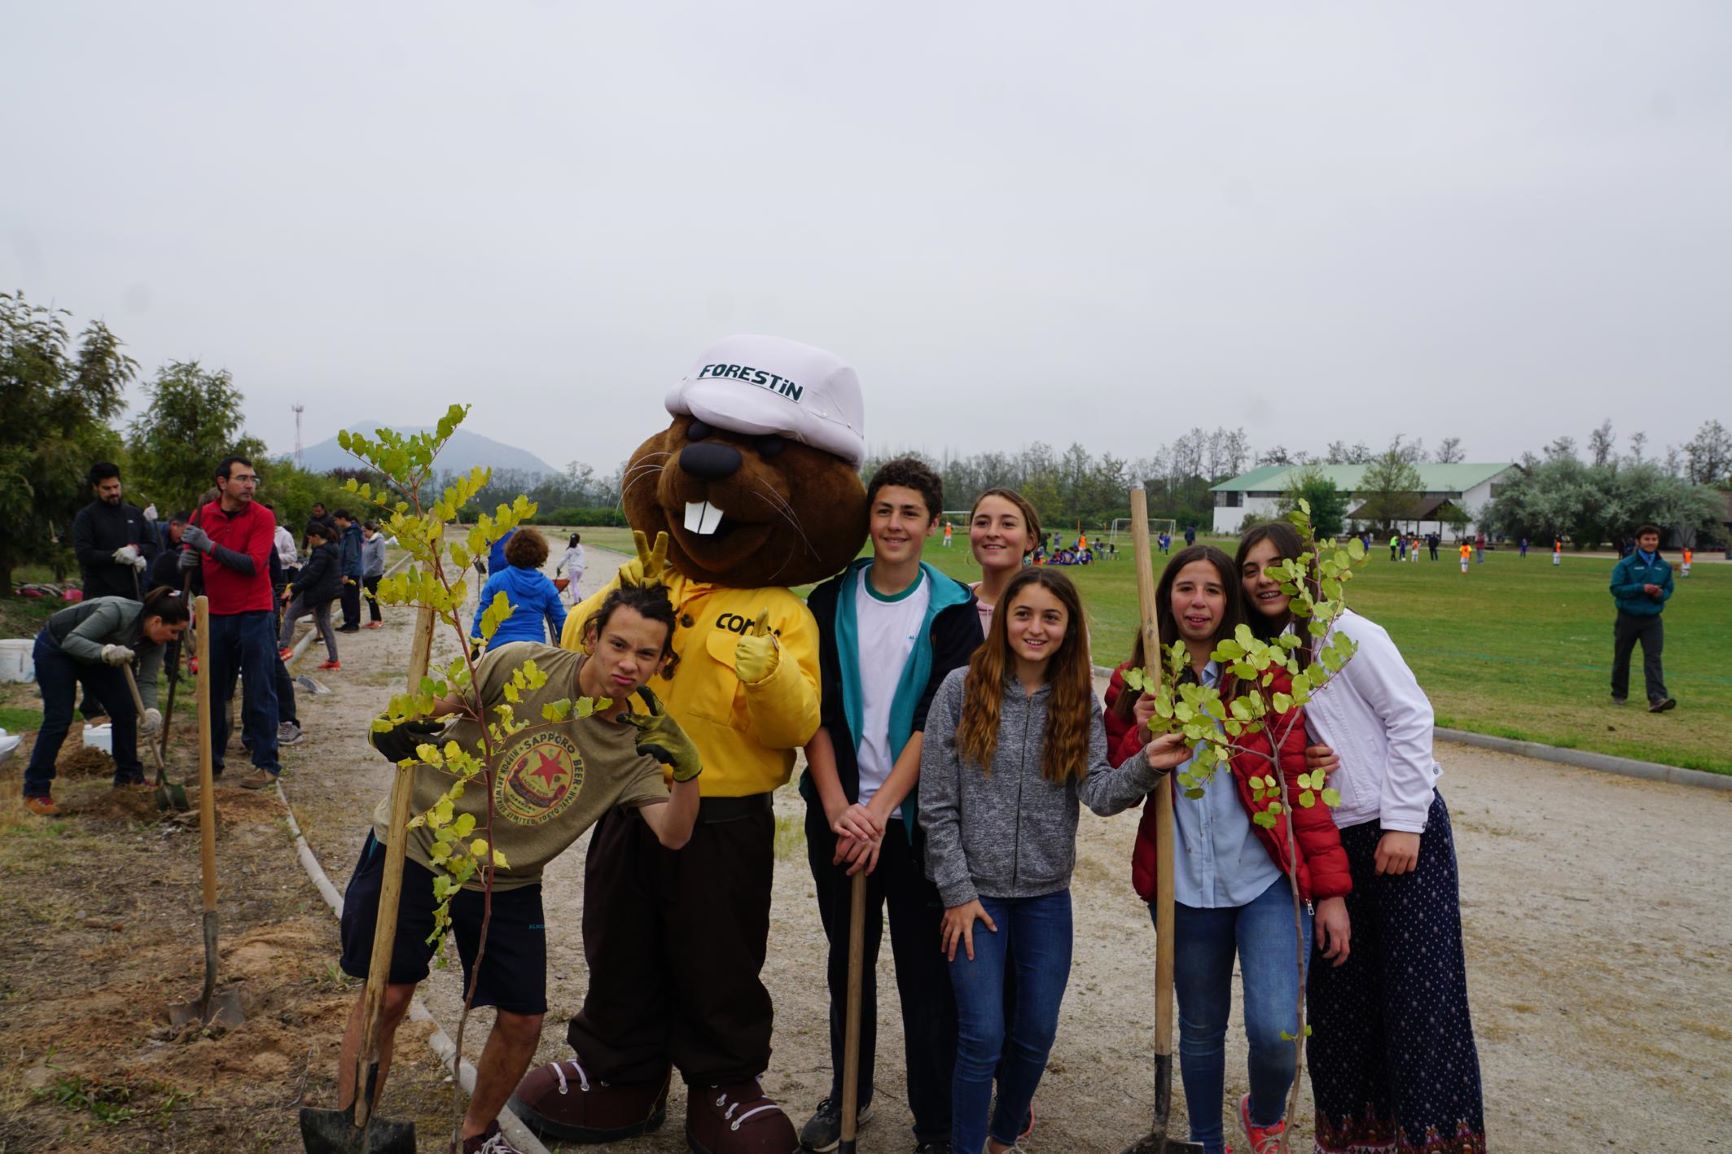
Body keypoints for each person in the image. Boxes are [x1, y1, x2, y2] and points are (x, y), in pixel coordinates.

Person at [332, 585, 702, 1154]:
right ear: (592, 638)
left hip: (505, 879)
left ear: (662, 661)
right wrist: (392, 725)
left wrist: (690, 770)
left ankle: (477, 1134)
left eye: (647, 654)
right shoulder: (522, 664)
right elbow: (427, 709)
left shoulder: (640, 741)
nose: (629, 664)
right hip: (419, 843)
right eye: (618, 645)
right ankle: (351, 1128)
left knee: (525, 1020)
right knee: (388, 995)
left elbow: (675, 835)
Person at [1237, 522, 1487, 1154]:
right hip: (1331, 844)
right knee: (1342, 1004)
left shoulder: (1346, 632)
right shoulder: (1263, 658)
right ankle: (1355, 1136)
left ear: (1304, 571)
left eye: (1276, 566)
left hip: (1399, 834)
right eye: (1250, 569)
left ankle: (1432, 1138)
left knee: (1418, 999)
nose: (1263, 578)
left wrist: (1405, 821)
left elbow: (1410, 715)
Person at [1101, 546, 1351, 1154]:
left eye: (1212, 590)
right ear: (1165, 600)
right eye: (1185, 589)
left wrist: (1333, 892)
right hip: (1185, 884)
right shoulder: (1138, 680)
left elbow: (1299, 790)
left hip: (1265, 880)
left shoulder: (1264, 678)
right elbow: (1112, 779)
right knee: (1201, 1028)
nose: (1198, 602)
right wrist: (1140, 728)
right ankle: (1207, 1143)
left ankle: (1263, 1114)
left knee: (1276, 1030)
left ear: (1228, 602)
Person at [919, 567, 1171, 1154]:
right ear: (1003, 619)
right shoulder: (960, 688)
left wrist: (1149, 761)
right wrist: (957, 893)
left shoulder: (1076, 698)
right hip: (973, 897)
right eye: (1023, 614)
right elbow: (935, 804)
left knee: (1034, 1034)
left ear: (1069, 627)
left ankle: (1004, 1137)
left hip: (1044, 897)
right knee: (982, 1036)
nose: (1035, 627)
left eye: (1050, 617)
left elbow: (1102, 793)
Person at [797, 457, 981, 1153]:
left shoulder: (955, 611)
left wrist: (880, 813)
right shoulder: (826, 601)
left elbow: (938, 724)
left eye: (910, 513)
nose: (895, 524)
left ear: (934, 527)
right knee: (848, 962)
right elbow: (810, 710)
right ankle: (849, 1096)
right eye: (884, 511)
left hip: (915, 823)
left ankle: (933, 1121)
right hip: (837, 815)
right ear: (867, 520)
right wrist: (844, 805)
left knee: (923, 974)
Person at [20, 589, 190, 815]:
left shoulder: (156, 643)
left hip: (100, 657)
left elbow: (147, 681)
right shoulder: (116, 611)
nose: (175, 638)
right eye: (174, 631)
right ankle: (36, 790)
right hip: (57, 648)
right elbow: (73, 640)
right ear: (157, 621)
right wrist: (105, 651)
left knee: (125, 710)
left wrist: (150, 711)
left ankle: (129, 777)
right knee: (59, 717)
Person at [179, 456, 281, 789]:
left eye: (253, 479)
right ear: (222, 483)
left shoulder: (263, 517)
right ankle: (212, 763)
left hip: (255, 612)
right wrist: (186, 560)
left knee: (259, 689)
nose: (250, 484)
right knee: (214, 692)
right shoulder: (202, 515)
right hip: (216, 614)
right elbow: (195, 573)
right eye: (242, 478)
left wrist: (208, 546)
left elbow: (252, 565)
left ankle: (266, 764)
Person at [1609, 524, 1675, 712]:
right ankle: (1619, 693)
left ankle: (1657, 698)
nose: (1650, 542)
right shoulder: (1625, 565)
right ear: (1638, 542)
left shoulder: (1664, 567)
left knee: (1653, 657)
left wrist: (1660, 595)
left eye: (1654, 539)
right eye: (1646, 539)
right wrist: (1640, 588)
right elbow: (1616, 589)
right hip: (1627, 617)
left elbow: (1669, 589)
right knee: (1622, 656)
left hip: (1652, 619)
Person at [71, 462, 156, 601]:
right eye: (107, 488)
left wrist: (137, 550)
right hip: (99, 594)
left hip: (133, 593)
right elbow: (84, 554)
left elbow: (151, 545)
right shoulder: (86, 517)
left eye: (116, 486)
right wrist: (117, 556)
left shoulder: (134, 513)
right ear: (96, 488)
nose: (113, 492)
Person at [471, 529, 567, 651]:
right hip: (535, 650)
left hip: (499, 650)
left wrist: (474, 646)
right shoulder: (547, 586)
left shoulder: (496, 580)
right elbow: (561, 622)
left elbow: (481, 617)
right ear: (541, 555)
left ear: (510, 551)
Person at [967, 488, 1043, 638]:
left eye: (1007, 524)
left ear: (1030, 540)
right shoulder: (951, 605)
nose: (992, 532)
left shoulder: (1053, 608)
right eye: (982, 523)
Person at [279, 521, 342, 671]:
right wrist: (295, 582)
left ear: (316, 536)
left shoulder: (321, 553)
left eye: (310, 538)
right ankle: (334, 660)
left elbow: (312, 576)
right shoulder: (332, 548)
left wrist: (293, 589)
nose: (309, 541)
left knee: (289, 616)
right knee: (324, 624)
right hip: (328, 593)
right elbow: (307, 569)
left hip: (317, 593)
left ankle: (284, 648)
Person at [333, 509, 364, 632]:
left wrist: (346, 573)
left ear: (342, 519)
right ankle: (348, 621)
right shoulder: (346, 533)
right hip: (345, 570)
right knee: (344, 598)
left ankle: (353, 623)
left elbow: (352, 555)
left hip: (351, 572)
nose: (335, 522)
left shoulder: (352, 534)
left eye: (336, 519)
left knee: (351, 598)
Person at [147, 515, 189, 592]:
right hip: (148, 582)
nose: (184, 538)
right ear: (174, 525)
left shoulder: (179, 542)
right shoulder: (154, 530)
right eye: (183, 532)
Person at [361, 521, 386, 628]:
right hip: (366, 575)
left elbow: (380, 558)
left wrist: (370, 570)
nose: (364, 533)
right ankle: (373, 619)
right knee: (368, 598)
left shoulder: (379, 541)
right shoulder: (368, 542)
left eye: (365, 531)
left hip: (374, 575)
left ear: (371, 530)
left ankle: (378, 620)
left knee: (373, 598)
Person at [558, 532, 586, 606]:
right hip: (581, 569)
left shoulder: (570, 550)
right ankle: (579, 598)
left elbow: (563, 560)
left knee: (574, 586)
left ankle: (576, 602)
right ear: (578, 540)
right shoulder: (580, 547)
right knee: (576, 584)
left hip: (573, 569)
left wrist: (558, 568)